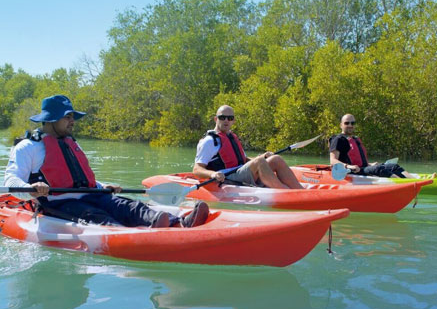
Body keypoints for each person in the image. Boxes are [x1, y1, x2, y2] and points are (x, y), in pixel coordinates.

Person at [4, 95, 209, 228]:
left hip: (92, 196)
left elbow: (82, 179)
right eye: (67, 117)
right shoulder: (27, 147)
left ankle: (176, 224)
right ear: (50, 119)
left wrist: (103, 187)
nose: (72, 121)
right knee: (98, 217)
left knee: (128, 206)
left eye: (72, 116)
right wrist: (31, 188)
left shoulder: (71, 144)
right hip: (60, 204)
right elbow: (10, 180)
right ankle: (139, 236)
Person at [193, 105, 303, 189]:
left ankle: (300, 191)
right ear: (216, 119)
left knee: (275, 159)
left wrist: (263, 157)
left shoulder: (232, 137)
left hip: (239, 172)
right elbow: (197, 169)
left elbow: (245, 160)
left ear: (233, 121)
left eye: (230, 118)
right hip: (227, 177)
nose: (226, 120)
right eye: (222, 117)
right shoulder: (209, 141)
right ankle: (285, 192)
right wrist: (213, 174)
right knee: (259, 162)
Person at [329, 114, 415, 178]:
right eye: (347, 123)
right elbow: (333, 160)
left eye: (353, 123)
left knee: (393, 166)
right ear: (341, 125)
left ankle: (412, 181)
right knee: (378, 169)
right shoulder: (338, 139)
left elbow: (358, 160)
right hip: (352, 171)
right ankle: (402, 184)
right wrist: (349, 166)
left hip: (363, 168)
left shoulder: (355, 139)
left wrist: (369, 164)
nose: (350, 125)